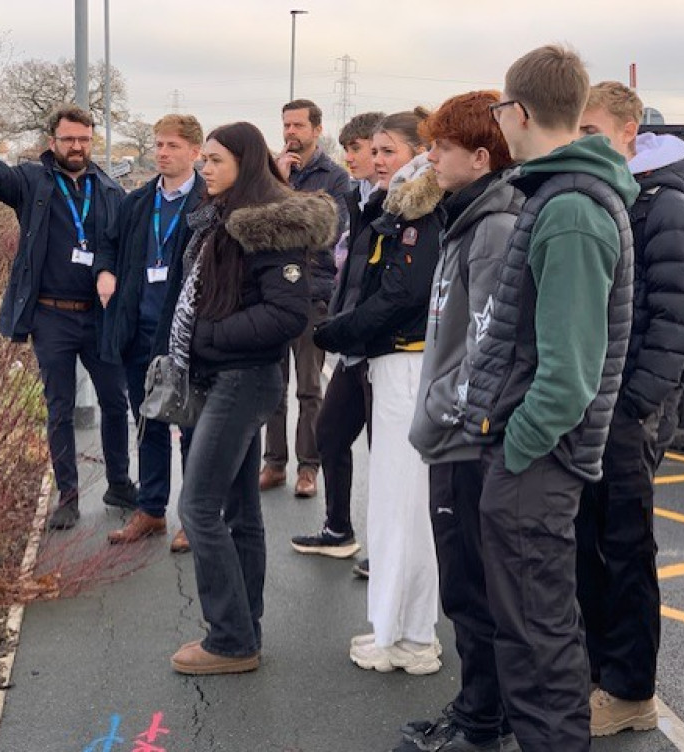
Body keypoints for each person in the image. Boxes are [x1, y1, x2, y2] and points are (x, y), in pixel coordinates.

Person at [464, 45, 637, 751]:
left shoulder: (569, 209)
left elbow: (569, 376)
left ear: (520, 112)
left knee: (538, 635)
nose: (499, 120)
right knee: (529, 628)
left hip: (538, 462)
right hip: (533, 459)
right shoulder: (560, 197)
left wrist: (518, 447)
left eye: (500, 108)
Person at [169, 122, 337, 675]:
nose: (205, 168)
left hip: (242, 379)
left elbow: (287, 314)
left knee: (197, 507)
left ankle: (230, 639)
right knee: (239, 510)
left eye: (216, 160)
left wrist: (208, 337)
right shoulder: (222, 217)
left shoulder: (268, 226)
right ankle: (244, 629)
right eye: (205, 159)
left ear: (245, 163)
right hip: (225, 375)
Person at [0, 106, 136, 531]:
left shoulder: (110, 190)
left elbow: (122, 247)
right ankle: (68, 497)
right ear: (53, 141)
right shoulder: (32, 181)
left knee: (115, 402)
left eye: (84, 139)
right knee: (59, 409)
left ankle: (119, 483)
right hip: (51, 317)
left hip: (99, 318)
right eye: (69, 139)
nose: (77, 146)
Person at [576, 81, 684, 737]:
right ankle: (598, 673)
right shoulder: (610, 195)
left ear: (630, 131)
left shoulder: (665, 204)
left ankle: (630, 692)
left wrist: (634, 406)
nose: (581, 142)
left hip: (628, 409)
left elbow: (677, 318)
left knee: (624, 548)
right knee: (589, 544)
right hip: (596, 400)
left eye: (592, 131)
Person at [400, 91, 522, 752]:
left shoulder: (494, 227)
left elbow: (488, 346)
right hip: (455, 435)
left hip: (467, 441)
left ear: (480, 157)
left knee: (471, 590)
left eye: (442, 148)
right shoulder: (468, 217)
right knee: (468, 588)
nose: (431, 158)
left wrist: (442, 413)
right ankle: (480, 710)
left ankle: (481, 725)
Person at [314, 109, 443, 676]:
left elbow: (401, 295)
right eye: (378, 150)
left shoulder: (422, 212)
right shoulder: (394, 207)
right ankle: (397, 629)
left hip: (408, 365)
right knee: (395, 507)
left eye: (391, 151)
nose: (379, 160)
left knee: (404, 509)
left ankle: (411, 636)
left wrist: (337, 332)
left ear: (420, 153)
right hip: (391, 364)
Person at [94, 114, 207, 553]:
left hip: (186, 337)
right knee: (148, 422)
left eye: (173, 145)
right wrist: (105, 271)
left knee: (192, 427)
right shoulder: (138, 201)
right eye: (159, 144)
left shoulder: (208, 202)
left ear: (195, 152)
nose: (162, 152)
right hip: (138, 330)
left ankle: (194, 518)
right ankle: (151, 509)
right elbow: (108, 244)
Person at [290, 111, 385, 563]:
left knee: (385, 454)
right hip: (352, 345)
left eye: (363, 149)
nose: (355, 157)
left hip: (382, 347)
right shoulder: (361, 198)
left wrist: (347, 325)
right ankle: (338, 530)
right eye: (351, 149)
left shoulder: (394, 204)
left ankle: (389, 554)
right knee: (330, 432)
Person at [259, 99, 351, 498]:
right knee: (272, 386)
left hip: (313, 293)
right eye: (286, 125)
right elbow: (258, 226)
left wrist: (283, 217)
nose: (290, 132)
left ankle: (308, 467)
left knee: (310, 388)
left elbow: (328, 230)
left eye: (298, 125)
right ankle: (274, 463)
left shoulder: (335, 177)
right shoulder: (272, 172)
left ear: (316, 129)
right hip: (271, 294)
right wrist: (278, 182)